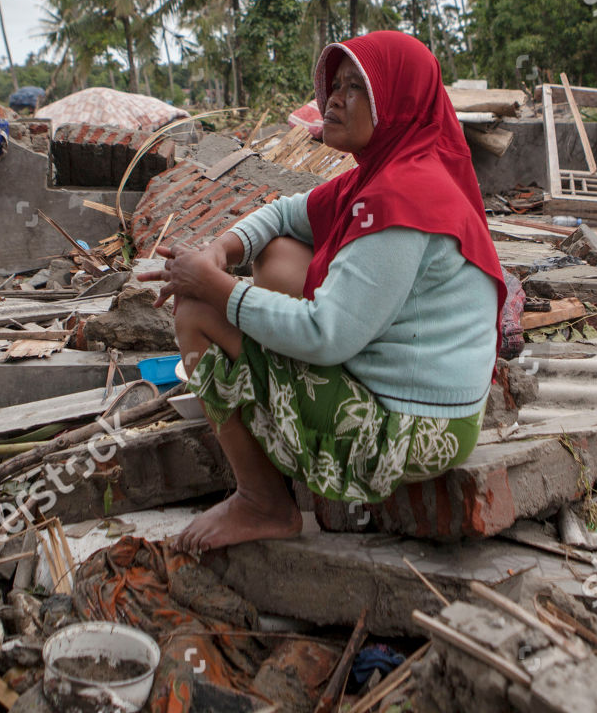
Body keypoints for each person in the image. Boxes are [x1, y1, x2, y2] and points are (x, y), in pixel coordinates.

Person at [139, 31, 506, 553]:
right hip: (430, 406)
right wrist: (223, 250)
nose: (334, 99)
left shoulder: (403, 197)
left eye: (357, 88)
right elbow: (287, 212)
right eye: (335, 85)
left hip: (410, 428)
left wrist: (213, 285)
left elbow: (326, 334)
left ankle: (263, 500)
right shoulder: (390, 171)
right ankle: (273, 470)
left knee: (197, 309)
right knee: (278, 249)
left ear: (397, 102)